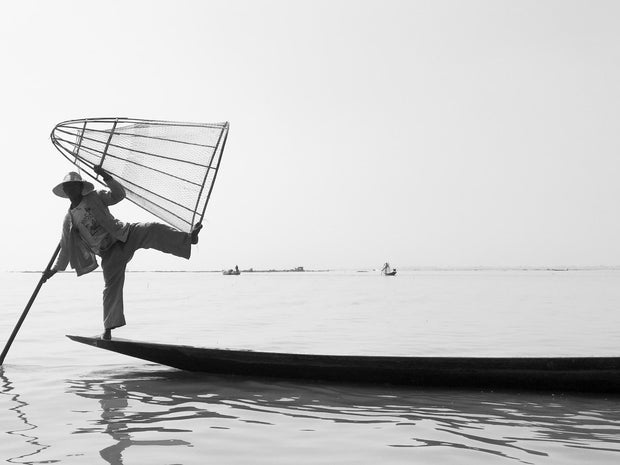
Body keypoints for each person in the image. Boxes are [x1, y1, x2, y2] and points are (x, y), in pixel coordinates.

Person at [42, 167, 202, 340]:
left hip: (125, 234)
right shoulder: (69, 220)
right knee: (111, 289)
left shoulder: (95, 197)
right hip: (109, 253)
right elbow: (66, 249)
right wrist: (52, 271)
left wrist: (106, 177)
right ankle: (108, 329)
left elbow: (119, 195)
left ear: (81, 187)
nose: (72, 189)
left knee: (152, 229)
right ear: (65, 191)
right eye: (69, 187)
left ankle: (188, 239)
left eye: (75, 185)